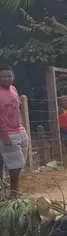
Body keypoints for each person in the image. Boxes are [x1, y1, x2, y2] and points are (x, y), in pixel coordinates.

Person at [0, 66, 28, 194]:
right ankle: (14, 193)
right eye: (3, 76)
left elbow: (19, 110)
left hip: (20, 131)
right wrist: (4, 135)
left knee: (20, 164)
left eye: (9, 76)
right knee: (14, 166)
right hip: (7, 133)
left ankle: (15, 190)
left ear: (13, 77)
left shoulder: (13, 89)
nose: (6, 78)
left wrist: (24, 129)